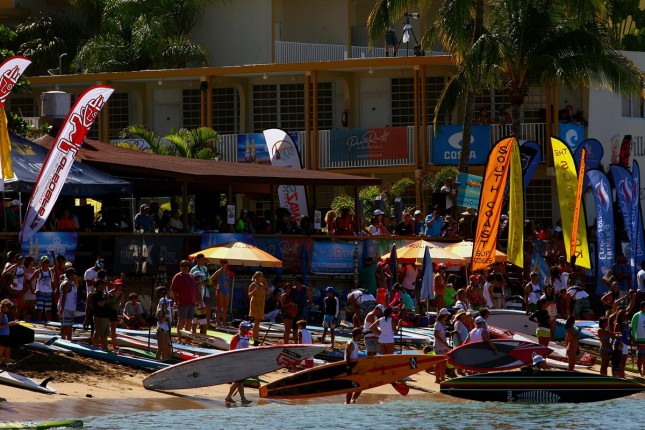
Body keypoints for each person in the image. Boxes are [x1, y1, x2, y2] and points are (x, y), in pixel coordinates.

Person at [225, 321, 253, 405]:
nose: (248, 329)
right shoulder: (236, 337)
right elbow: (231, 351)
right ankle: (229, 397)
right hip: (236, 362)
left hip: (243, 362)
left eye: (248, 328)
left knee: (240, 382)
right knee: (238, 381)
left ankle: (243, 399)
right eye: (246, 328)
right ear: (241, 328)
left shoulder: (247, 338)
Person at [171, 260, 197, 344]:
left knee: (189, 321)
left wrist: (195, 300)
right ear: (181, 267)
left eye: (187, 266)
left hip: (191, 303)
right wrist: (176, 301)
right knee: (181, 320)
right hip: (182, 302)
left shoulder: (192, 276)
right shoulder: (177, 277)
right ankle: (179, 339)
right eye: (184, 266)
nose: (186, 267)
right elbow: (174, 291)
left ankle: (187, 339)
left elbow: (194, 289)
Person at [29, 256, 54, 321]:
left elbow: (57, 266)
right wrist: (32, 290)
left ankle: (49, 323)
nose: (47, 264)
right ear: (42, 263)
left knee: (48, 310)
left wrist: (53, 255)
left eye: (48, 262)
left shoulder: (51, 270)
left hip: (49, 293)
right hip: (40, 292)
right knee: (39, 309)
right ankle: (39, 322)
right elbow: (29, 281)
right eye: (45, 262)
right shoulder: (38, 271)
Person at [57, 268, 78, 341]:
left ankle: (69, 340)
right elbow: (63, 296)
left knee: (69, 326)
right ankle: (64, 340)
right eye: (73, 275)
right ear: (70, 275)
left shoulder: (72, 283)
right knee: (65, 326)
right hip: (66, 308)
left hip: (71, 308)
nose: (75, 276)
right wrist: (62, 308)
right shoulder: (66, 283)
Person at [191, 254, 211, 325]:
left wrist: (204, 282)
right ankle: (197, 323)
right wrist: (202, 282)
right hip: (197, 291)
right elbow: (193, 281)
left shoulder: (205, 269)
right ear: (197, 259)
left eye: (204, 259)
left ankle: (207, 323)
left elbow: (209, 281)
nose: (203, 260)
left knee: (207, 306)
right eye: (202, 259)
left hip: (205, 291)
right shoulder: (193, 269)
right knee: (198, 308)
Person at [248, 271, 268, 345]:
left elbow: (268, 292)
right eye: (261, 276)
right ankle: (255, 337)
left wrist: (265, 283)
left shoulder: (262, 285)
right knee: (256, 321)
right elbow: (249, 295)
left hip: (261, 304)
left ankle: (256, 336)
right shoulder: (253, 284)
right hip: (255, 304)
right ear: (257, 277)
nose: (262, 278)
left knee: (258, 322)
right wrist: (254, 291)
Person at [212, 261, 234, 327]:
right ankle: (217, 321)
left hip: (226, 290)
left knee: (225, 307)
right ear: (221, 264)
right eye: (224, 263)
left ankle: (224, 322)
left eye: (226, 263)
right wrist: (215, 286)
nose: (225, 264)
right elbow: (211, 279)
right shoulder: (218, 272)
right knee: (219, 306)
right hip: (220, 290)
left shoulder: (228, 272)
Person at [344, 327, 363, 404]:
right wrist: (348, 367)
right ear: (358, 335)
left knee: (360, 385)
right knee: (352, 386)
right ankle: (348, 402)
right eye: (360, 335)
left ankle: (353, 400)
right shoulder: (350, 343)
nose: (361, 336)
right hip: (351, 367)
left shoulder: (354, 343)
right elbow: (348, 355)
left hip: (354, 367)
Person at [433, 308, 451, 383]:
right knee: (438, 362)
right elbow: (435, 334)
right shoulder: (437, 323)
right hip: (439, 345)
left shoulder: (443, 323)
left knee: (443, 362)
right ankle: (437, 378)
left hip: (443, 345)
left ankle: (442, 377)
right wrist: (443, 341)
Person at [91, 280, 111, 351]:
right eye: (101, 285)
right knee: (98, 333)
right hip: (99, 316)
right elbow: (100, 304)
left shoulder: (103, 293)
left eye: (103, 285)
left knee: (105, 334)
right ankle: (94, 348)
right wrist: (106, 298)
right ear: (97, 285)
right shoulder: (95, 294)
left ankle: (104, 348)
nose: (102, 286)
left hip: (105, 316)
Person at [155, 286, 173, 361]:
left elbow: (170, 321)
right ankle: (157, 361)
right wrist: (166, 317)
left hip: (167, 329)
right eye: (167, 303)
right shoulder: (160, 310)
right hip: (161, 329)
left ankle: (165, 359)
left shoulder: (168, 307)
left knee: (168, 347)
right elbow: (161, 321)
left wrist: (168, 318)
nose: (168, 304)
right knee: (161, 348)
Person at [107, 278, 125, 350]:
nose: (119, 286)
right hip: (108, 311)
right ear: (114, 285)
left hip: (114, 312)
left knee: (113, 330)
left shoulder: (121, 294)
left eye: (120, 285)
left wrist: (117, 306)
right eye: (117, 285)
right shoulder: (110, 292)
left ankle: (114, 345)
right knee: (106, 328)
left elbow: (122, 303)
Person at [0, 299, 17, 367]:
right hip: (1, 335)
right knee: (1, 352)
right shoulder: (0, 313)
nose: (9, 309)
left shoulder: (3, 313)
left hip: (5, 335)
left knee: (7, 351)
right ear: (4, 306)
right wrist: (9, 324)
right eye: (8, 307)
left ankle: (7, 364)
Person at [631, 301, 645, 376]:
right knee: (640, 357)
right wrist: (634, 338)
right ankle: (639, 371)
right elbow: (633, 328)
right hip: (640, 340)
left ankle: (644, 371)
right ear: (642, 307)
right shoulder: (637, 315)